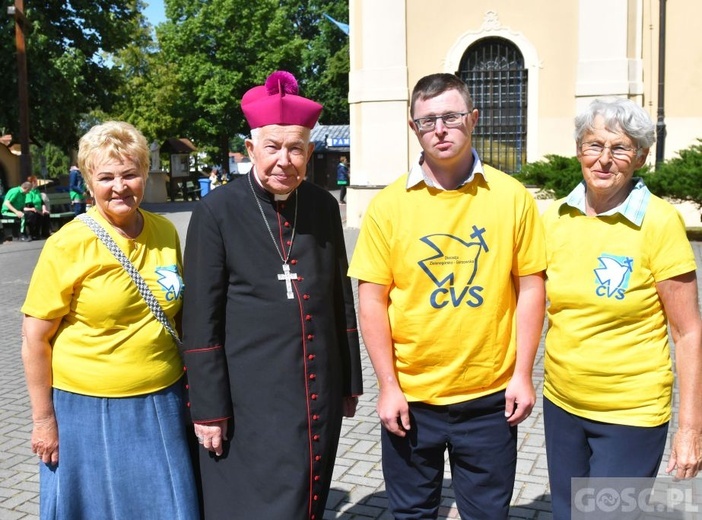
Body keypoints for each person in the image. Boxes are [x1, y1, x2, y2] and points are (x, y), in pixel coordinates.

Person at [348, 73, 546, 519]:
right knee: (412, 513)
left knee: (487, 513)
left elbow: (532, 287)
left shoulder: (512, 198)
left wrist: (523, 375)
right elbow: (372, 299)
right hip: (412, 401)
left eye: (452, 117)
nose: (440, 128)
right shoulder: (388, 205)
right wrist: (388, 386)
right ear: (413, 127)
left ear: (473, 119)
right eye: (428, 120)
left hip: (491, 399)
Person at [180, 70, 363, 520]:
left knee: (308, 498)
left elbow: (340, 294)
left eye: (296, 148)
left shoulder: (322, 206)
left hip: (316, 392)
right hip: (247, 399)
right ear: (250, 150)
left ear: (310, 151)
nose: (285, 160)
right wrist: (208, 408)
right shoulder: (216, 211)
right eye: (273, 147)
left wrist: (349, 380)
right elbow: (200, 318)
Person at [21, 121, 199, 520]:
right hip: (86, 408)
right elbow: (34, 338)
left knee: (162, 505)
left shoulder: (165, 231)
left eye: (130, 173)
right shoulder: (68, 243)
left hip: (163, 400)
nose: (120, 186)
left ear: (144, 174)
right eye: (106, 177)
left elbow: (181, 310)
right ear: (88, 182)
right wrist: (43, 420)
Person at [541, 98, 702, 519]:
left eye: (620, 148)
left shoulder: (659, 222)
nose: (604, 160)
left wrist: (690, 429)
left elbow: (688, 332)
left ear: (641, 157)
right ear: (579, 150)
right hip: (561, 404)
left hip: (629, 414)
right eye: (594, 145)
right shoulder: (556, 218)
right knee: (566, 513)